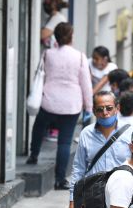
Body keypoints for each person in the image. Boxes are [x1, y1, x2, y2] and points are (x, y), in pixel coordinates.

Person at [26, 23, 93, 191]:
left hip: (49, 100)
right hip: (71, 104)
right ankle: (60, 179)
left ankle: (33, 155)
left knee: (39, 127)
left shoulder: (48, 53)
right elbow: (86, 84)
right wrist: (89, 107)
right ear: (71, 37)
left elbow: (40, 74)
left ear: (55, 36)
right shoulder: (79, 57)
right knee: (64, 143)